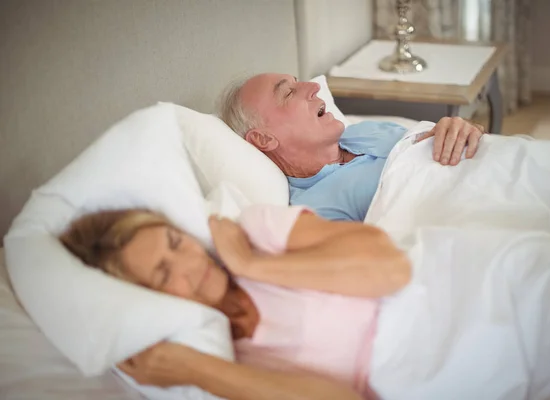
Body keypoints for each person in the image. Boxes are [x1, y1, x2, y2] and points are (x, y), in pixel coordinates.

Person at [60, 204, 411, 400]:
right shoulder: (221, 357)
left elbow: (392, 269)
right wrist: (198, 370)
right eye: (164, 274)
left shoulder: (253, 233)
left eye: (176, 242)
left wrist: (251, 265)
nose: (193, 265)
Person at [218, 73, 486, 221]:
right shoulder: (317, 209)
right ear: (264, 140)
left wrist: (463, 129)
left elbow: (451, 144)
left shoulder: (363, 131)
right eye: (288, 92)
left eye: (299, 81)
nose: (312, 87)